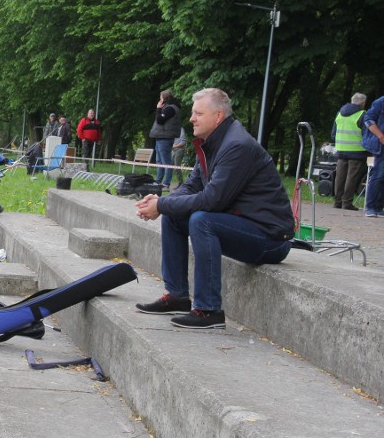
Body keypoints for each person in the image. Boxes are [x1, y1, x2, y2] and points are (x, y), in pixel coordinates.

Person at [134, 88, 294, 330]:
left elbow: (212, 201)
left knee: (202, 219)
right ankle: (177, 296)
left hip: (270, 239)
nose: (191, 118)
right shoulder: (212, 143)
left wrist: (162, 204)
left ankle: (208, 310)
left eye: (198, 113)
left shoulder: (237, 146)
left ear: (218, 116)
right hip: (242, 225)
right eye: (192, 113)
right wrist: (160, 204)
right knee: (174, 216)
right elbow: (192, 185)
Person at [330, 93, 367, 211]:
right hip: (357, 151)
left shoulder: (339, 114)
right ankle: (347, 202)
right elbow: (366, 135)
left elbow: (333, 134)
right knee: (352, 177)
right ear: (363, 103)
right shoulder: (362, 114)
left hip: (341, 150)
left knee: (340, 176)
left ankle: (337, 201)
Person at [150, 90, 184, 190]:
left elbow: (160, 120)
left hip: (165, 137)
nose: (160, 99)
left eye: (161, 97)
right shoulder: (167, 107)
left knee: (166, 161)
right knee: (159, 161)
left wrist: (158, 109)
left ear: (164, 98)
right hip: (160, 137)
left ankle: (166, 183)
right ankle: (158, 181)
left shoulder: (170, 108)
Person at [361, 95, 384, 217]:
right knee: (378, 175)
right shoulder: (380, 102)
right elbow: (368, 119)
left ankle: (379, 207)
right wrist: (380, 135)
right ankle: (370, 206)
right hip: (380, 146)